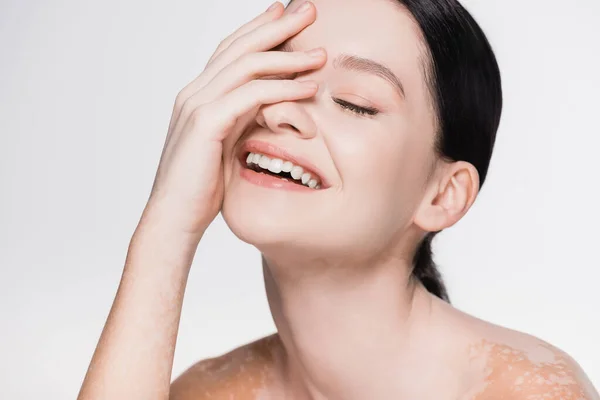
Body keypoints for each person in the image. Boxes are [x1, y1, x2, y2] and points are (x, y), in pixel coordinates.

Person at [77, 0, 600, 399]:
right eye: (277, 78)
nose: (280, 113)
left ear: (444, 193)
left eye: (355, 103)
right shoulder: (209, 391)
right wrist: (166, 228)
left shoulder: (522, 392)